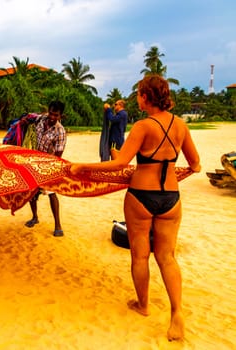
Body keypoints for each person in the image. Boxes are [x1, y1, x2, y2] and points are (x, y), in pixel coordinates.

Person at [70, 75, 201, 341]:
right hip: (171, 200)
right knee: (167, 257)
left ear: (146, 97)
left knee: (140, 256)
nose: (138, 97)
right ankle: (176, 314)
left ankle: (143, 305)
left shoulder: (143, 126)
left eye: (140, 93)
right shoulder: (180, 125)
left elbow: (119, 165)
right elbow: (196, 164)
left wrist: (83, 167)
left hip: (141, 196)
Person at [24, 100, 67, 237]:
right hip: (33, 161)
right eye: (51, 114)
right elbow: (30, 118)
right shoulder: (41, 119)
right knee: (31, 192)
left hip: (48, 164)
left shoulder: (60, 132)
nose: (52, 117)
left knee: (50, 193)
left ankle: (58, 225)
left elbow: (58, 155)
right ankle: (35, 217)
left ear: (61, 116)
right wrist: (23, 120)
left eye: (56, 115)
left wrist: (49, 168)